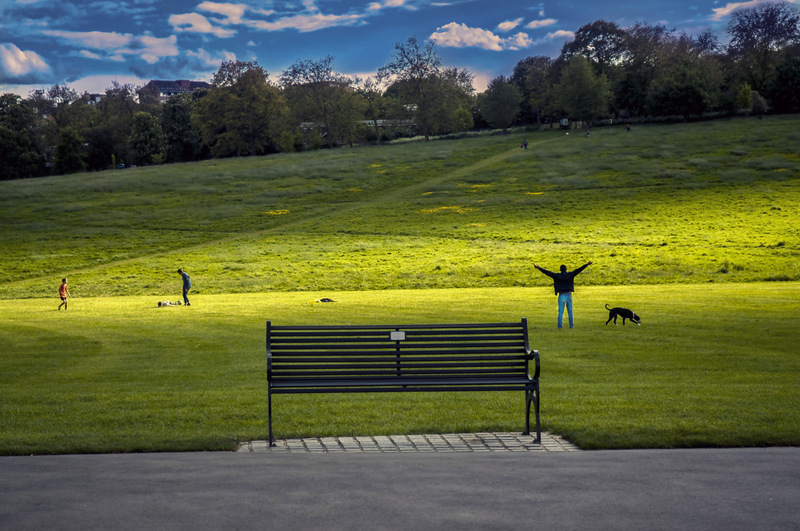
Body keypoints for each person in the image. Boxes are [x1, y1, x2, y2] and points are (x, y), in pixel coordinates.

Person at [534, 261, 593, 328]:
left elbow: (547, 272)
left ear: (560, 270)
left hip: (561, 295)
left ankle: (560, 326)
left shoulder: (557, 276)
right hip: (569, 294)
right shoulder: (570, 275)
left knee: (560, 312)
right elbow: (578, 270)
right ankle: (571, 326)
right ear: (566, 269)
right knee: (570, 312)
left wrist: (539, 268)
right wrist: (587, 264)